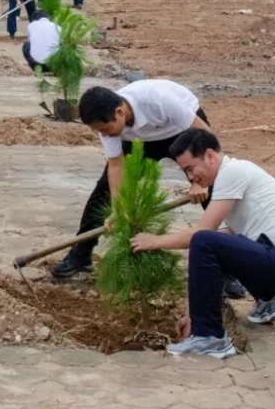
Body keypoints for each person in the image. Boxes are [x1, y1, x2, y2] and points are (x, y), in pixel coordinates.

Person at [50, 82, 249, 300]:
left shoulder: (160, 100)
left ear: (119, 112)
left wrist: (199, 182)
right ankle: (80, 254)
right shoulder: (106, 123)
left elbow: (205, 136)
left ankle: (229, 270)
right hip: (139, 141)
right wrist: (118, 209)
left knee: (211, 193)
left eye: (105, 130)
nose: (104, 135)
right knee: (103, 193)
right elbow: (116, 165)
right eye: (99, 131)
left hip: (183, 132)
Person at [130, 129, 275, 359]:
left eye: (190, 168)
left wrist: (155, 241)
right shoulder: (232, 178)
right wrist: (192, 313)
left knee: (204, 240)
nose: (190, 178)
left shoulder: (233, 172)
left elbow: (201, 235)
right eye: (185, 172)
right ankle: (268, 303)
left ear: (209, 156)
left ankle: (209, 337)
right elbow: (218, 251)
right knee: (218, 242)